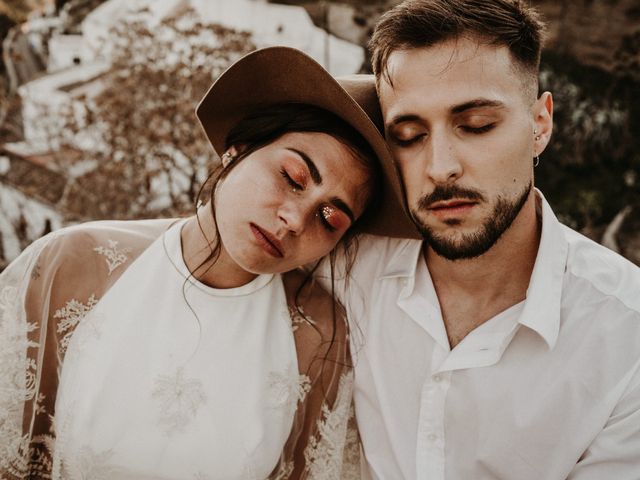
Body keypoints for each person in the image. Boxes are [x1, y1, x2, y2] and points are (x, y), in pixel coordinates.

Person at [0, 46, 415, 479]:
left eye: (330, 218)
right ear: (236, 149)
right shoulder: (72, 263)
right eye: (292, 178)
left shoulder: (320, 336)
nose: (294, 219)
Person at [317, 1, 640, 478]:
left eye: (476, 126)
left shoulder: (625, 334)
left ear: (540, 125)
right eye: (408, 135)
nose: (440, 167)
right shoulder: (342, 263)